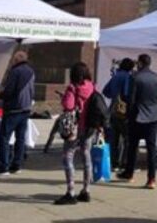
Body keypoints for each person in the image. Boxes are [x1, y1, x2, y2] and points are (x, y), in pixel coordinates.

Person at [120, 53, 157, 189]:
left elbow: (131, 100)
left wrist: (128, 116)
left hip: (137, 116)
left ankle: (130, 174)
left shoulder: (135, 78)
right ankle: (151, 179)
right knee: (151, 149)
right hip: (153, 117)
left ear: (140, 63)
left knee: (132, 146)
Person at [54, 62, 96, 205]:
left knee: (68, 157)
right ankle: (86, 190)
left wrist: (64, 97)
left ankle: (70, 192)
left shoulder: (72, 88)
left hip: (75, 128)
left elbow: (68, 106)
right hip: (89, 127)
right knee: (86, 156)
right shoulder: (91, 86)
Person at [0, 50, 35, 175]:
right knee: (20, 138)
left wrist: (0, 94)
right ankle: (17, 165)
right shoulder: (31, 71)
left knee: (4, 137)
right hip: (26, 109)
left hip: (13, 109)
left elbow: (9, 91)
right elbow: (32, 91)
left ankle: (3, 166)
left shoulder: (15, 71)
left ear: (16, 60)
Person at [102, 57, 134, 170]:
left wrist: (115, 97)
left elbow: (105, 91)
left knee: (113, 139)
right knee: (127, 139)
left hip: (113, 111)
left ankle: (113, 163)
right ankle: (124, 163)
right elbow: (126, 94)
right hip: (124, 112)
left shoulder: (115, 76)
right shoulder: (127, 77)